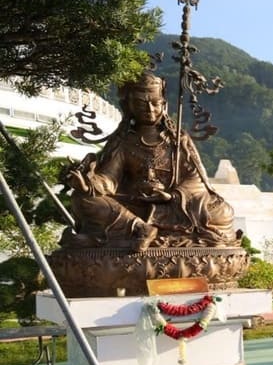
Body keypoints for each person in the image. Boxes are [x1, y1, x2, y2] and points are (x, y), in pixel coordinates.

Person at [61, 70, 237, 250]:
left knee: (222, 212)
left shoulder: (178, 140)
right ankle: (140, 228)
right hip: (134, 206)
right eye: (140, 103)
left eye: (155, 103)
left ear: (164, 105)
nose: (149, 110)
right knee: (82, 199)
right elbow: (109, 179)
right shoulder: (123, 141)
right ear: (128, 106)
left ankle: (143, 232)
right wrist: (87, 185)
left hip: (173, 206)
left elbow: (195, 179)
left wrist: (172, 196)